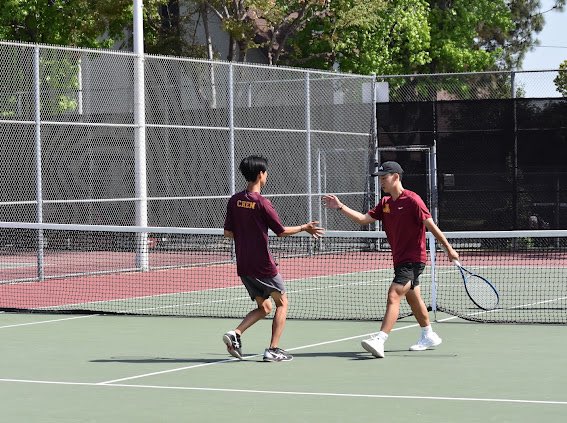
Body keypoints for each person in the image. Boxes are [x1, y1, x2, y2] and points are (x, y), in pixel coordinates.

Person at [322, 161, 458, 358]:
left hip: (413, 258)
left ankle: (380, 339)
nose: (381, 182)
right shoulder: (385, 203)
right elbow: (362, 219)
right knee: (413, 297)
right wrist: (340, 206)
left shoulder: (413, 200)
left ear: (396, 177)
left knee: (394, 294)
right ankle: (428, 334)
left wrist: (449, 249)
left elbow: (431, 225)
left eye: (384, 178)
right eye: (379, 179)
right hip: (400, 258)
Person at [223, 155, 324, 362]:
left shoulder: (235, 200)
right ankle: (273, 349)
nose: (266, 175)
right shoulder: (262, 203)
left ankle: (235, 334)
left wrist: (246, 234)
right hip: (262, 265)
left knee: (265, 307)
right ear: (260, 174)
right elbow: (281, 231)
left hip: (244, 265)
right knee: (282, 303)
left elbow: (228, 233)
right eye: (266, 172)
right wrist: (305, 228)